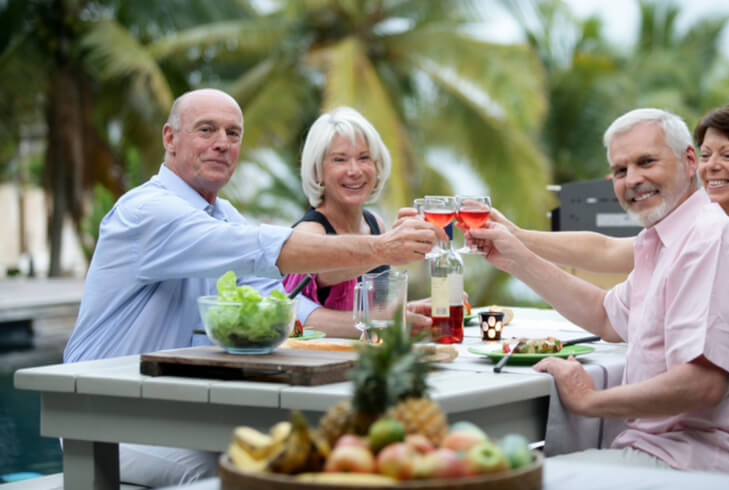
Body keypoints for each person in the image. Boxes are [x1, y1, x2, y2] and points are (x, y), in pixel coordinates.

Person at [62, 88, 443, 487]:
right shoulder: (148, 211)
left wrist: (392, 316)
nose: (221, 144)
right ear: (170, 138)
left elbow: (282, 303)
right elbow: (261, 249)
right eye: (206, 130)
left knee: (302, 451)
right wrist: (385, 248)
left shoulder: (223, 214)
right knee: (241, 471)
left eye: (233, 133)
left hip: (176, 407)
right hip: (107, 409)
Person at [487, 99, 729, 480]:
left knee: (520, 478)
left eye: (646, 162)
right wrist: (515, 254)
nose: (631, 178)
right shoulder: (667, 239)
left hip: (716, 454)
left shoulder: (720, 239)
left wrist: (591, 400)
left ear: (687, 163)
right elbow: (605, 313)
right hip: (675, 443)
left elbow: (707, 381)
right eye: (619, 169)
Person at [283, 106, 430, 337]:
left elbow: (375, 312)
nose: (354, 170)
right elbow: (295, 314)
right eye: (339, 160)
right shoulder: (309, 232)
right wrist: (389, 249)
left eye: (364, 158)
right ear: (317, 171)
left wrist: (411, 311)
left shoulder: (375, 225)